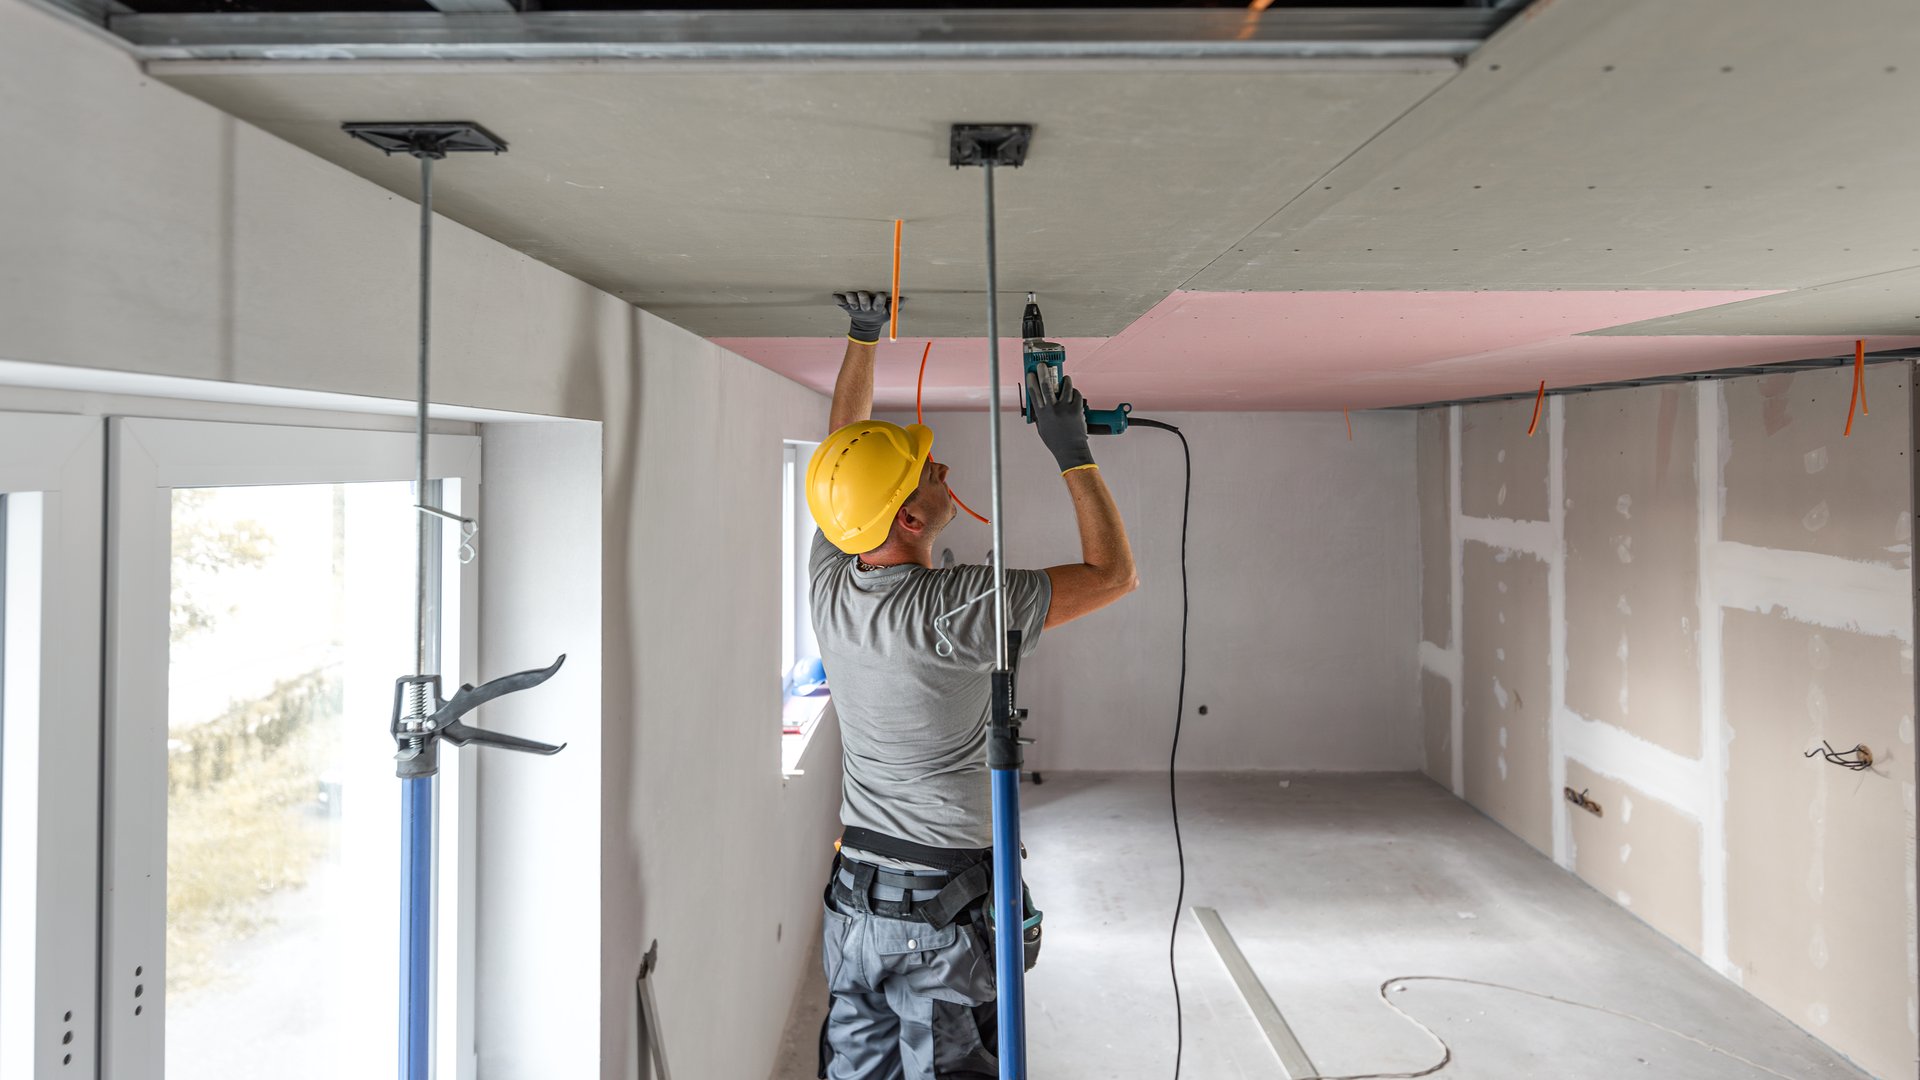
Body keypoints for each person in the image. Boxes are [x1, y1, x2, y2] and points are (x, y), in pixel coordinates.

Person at [806, 290, 1138, 1078]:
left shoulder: (831, 578)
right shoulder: (954, 608)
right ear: (912, 521)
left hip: (857, 915)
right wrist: (1074, 453)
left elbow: (842, 448)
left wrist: (862, 337)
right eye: (927, 472)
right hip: (936, 916)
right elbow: (1113, 575)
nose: (942, 466)